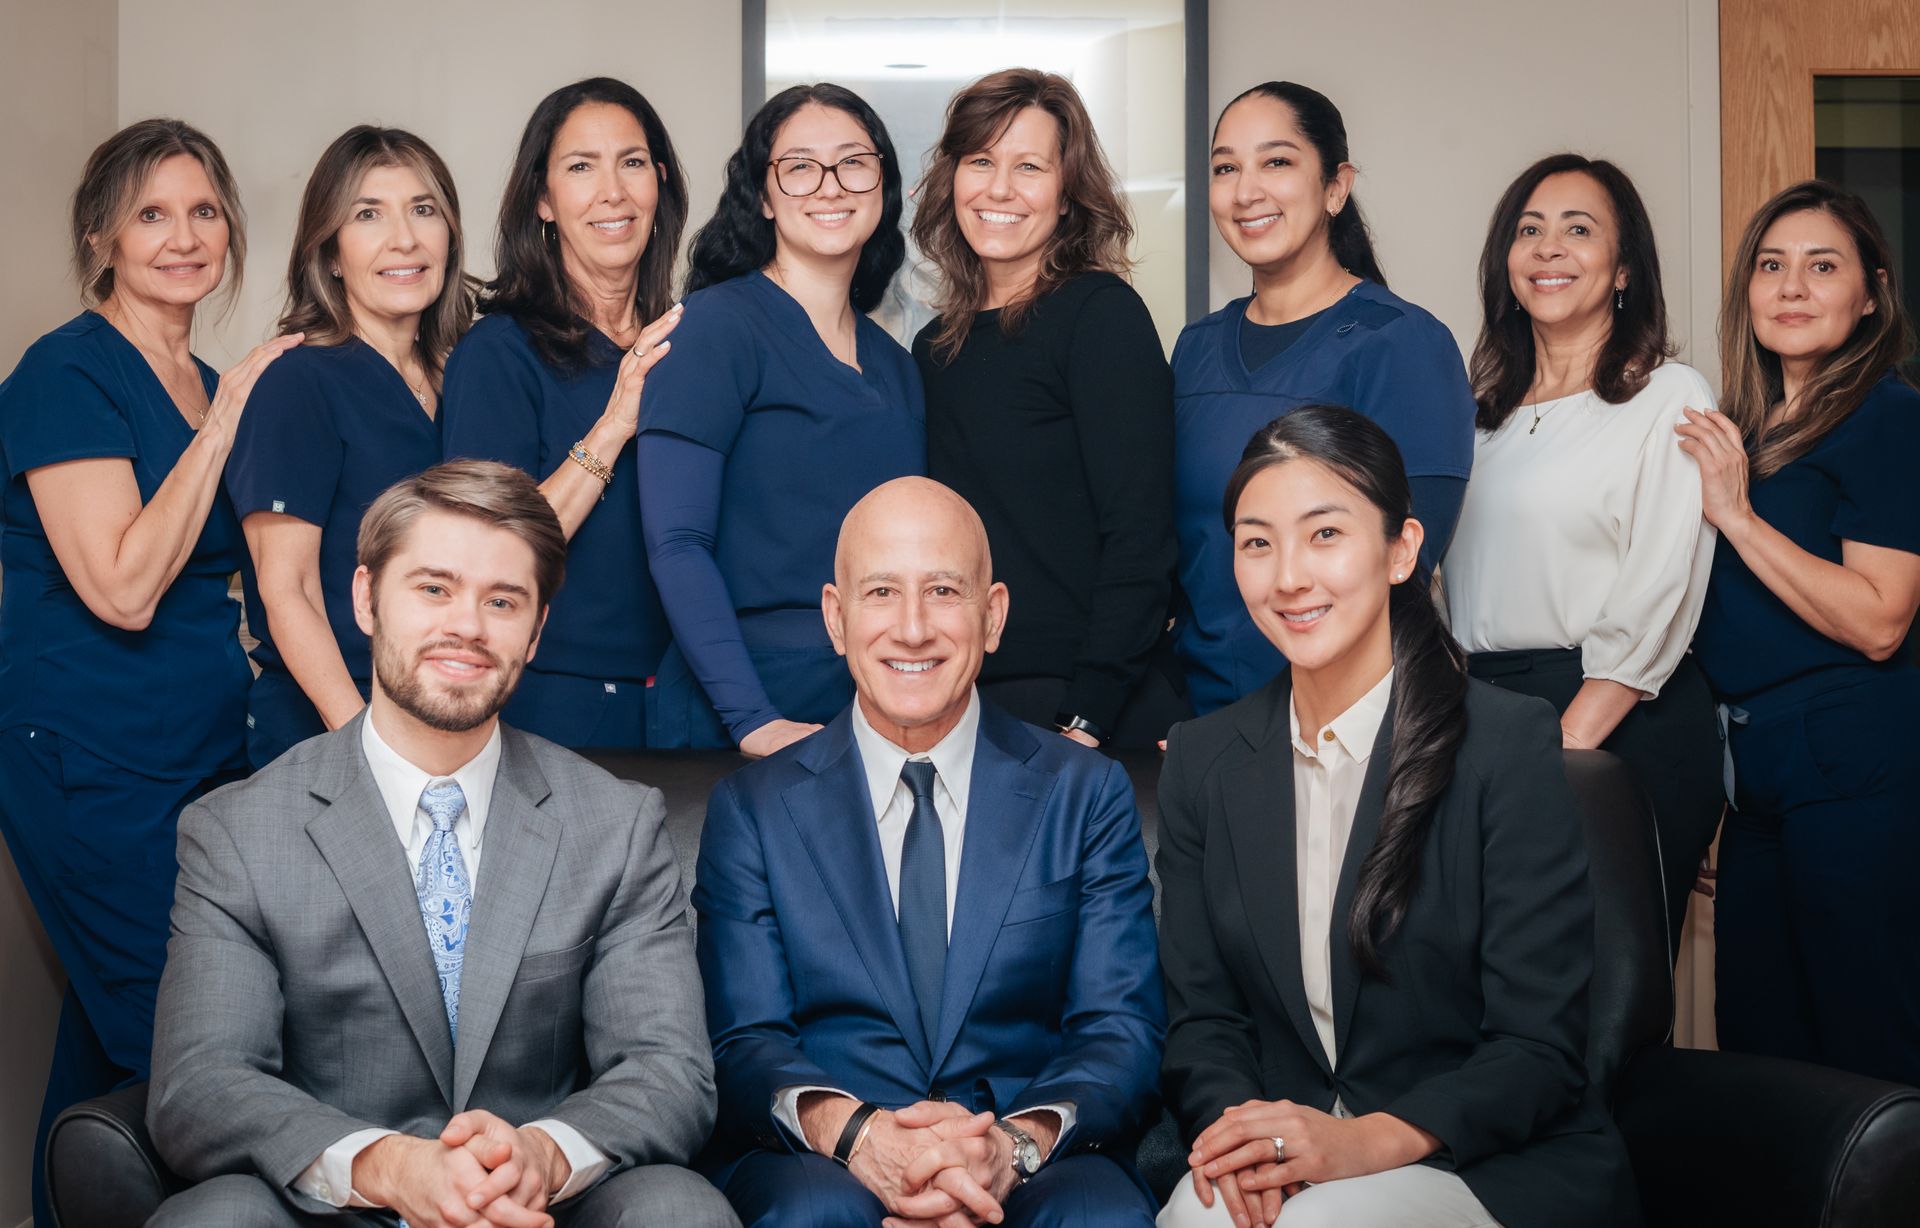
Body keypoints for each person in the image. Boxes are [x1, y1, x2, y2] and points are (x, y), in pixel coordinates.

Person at [146, 460, 737, 1227]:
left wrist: (543, 1155)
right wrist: (390, 1166)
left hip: (539, 1207)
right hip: (338, 1205)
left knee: (679, 1211)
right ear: (366, 599)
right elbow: (202, 1084)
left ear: (537, 629)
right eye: (433, 588)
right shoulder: (238, 832)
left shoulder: (616, 825)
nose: (467, 626)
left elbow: (668, 1071)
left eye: (502, 601)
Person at [1156, 406, 1639, 1228]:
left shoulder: (1504, 744)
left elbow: (1537, 1050)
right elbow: (1205, 1024)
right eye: (1257, 541)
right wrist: (1246, 1144)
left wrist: (1362, 1144)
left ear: (1402, 549)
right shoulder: (1204, 761)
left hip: (1480, 1160)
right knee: (1195, 1218)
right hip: (1286, 1151)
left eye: (1325, 535)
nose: (1289, 578)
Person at [693, 477, 1166, 1226]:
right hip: (829, 1162)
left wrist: (1008, 1148)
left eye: (943, 591)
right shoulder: (752, 809)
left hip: (1030, 1154)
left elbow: (1120, 1030)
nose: (912, 629)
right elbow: (744, 1040)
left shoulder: (1085, 794)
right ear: (836, 618)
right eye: (881, 592)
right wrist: (860, 1137)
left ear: (992, 615)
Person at [0, 118, 299, 1227]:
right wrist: (226, 422)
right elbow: (122, 585)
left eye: (205, 211)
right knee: (180, 1035)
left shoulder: (203, 378)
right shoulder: (66, 371)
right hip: (90, 761)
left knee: (102, 1041)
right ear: (101, 238)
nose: (185, 237)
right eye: (152, 215)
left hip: (199, 760)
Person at [1444, 154, 1721, 958]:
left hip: (1614, 717)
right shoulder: (1476, 416)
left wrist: (1561, 750)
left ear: (1625, 267)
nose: (1548, 248)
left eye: (1578, 229)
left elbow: (1659, 589)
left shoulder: (1670, 396)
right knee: (1500, 998)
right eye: (1529, 230)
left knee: (1602, 1009)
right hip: (1490, 712)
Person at [1677, 180, 1920, 1085]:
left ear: (1871, 295)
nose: (1791, 287)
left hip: (1857, 758)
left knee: (1867, 1041)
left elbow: (1880, 618)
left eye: (1823, 267)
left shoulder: (1890, 417)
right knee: (1759, 1045)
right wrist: (1713, 795)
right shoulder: (1742, 428)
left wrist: (1736, 516)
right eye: (1772, 266)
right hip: (1754, 774)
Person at [1172, 81, 1475, 715]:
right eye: (1226, 168)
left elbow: (1406, 570)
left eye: (1276, 162)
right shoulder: (1196, 346)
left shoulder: (1401, 343)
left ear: (1336, 187)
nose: (1246, 190)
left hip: (1344, 716)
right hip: (1201, 714)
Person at [638, 83, 924, 756]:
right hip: (743, 702)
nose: (830, 185)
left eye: (854, 162)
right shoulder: (714, 330)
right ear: (763, 196)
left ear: (883, 185)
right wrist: (751, 718)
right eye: (798, 167)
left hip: (872, 705)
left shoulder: (898, 367)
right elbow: (677, 545)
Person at [911, 68, 1185, 750]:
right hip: (963, 703)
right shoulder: (932, 348)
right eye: (980, 161)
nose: (999, 189)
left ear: (1066, 195)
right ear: (952, 179)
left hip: (1086, 706)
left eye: (1028, 166)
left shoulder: (1099, 316)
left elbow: (1142, 536)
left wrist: (1088, 715)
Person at [441, 78, 685, 749]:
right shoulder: (498, 354)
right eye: (582, 167)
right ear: (544, 199)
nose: (613, 191)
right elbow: (488, 548)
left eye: (632, 163)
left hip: (688, 695)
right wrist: (613, 426)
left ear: (659, 183)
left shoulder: (689, 343)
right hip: (558, 697)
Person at [225, 125, 476, 767]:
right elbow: (289, 590)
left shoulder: (465, 380)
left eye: (424, 210)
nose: (405, 238)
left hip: (444, 728)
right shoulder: (299, 380)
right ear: (330, 251)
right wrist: (364, 746)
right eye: (369, 214)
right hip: (331, 729)